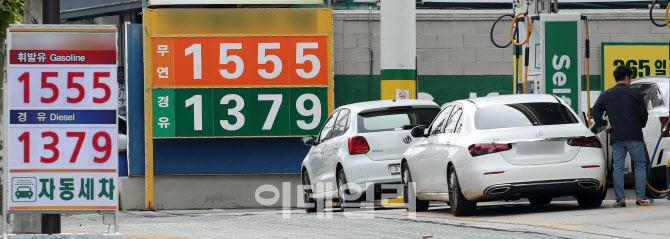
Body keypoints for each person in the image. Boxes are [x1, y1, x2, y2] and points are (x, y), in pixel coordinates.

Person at [592, 65, 652, 207]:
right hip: (634, 135)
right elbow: (644, 115)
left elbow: (595, 110)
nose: (630, 81)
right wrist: (640, 125)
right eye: (630, 78)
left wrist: (603, 126)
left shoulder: (607, 94)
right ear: (626, 77)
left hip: (617, 136)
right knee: (639, 165)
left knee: (618, 167)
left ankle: (620, 200)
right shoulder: (636, 95)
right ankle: (640, 197)